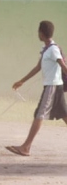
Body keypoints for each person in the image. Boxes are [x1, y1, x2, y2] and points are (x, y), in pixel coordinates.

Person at [6, 20, 67, 156]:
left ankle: (26, 147)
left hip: (52, 87)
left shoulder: (53, 49)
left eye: (38, 31)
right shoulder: (45, 49)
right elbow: (38, 68)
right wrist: (22, 81)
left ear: (41, 33)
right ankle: (26, 147)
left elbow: (63, 67)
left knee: (39, 114)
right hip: (53, 86)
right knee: (64, 114)